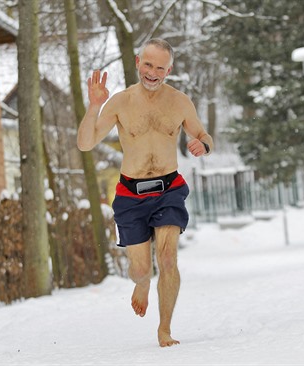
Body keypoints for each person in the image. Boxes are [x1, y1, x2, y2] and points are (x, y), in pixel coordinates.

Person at [77, 38, 213, 347]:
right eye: (148, 65)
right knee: (140, 269)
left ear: (169, 69)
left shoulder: (180, 102)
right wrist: (95, 106)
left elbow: (205, 135)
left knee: (167, 259)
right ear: (138, 62)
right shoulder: (121, 102)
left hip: (168, 189)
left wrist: (203, 145)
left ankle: (164, 329)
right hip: (131, 194)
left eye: (160, 67)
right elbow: (85, 143)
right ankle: (141, 284)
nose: (152, 73)